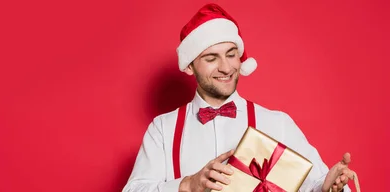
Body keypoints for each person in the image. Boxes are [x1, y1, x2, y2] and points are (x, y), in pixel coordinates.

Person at [122, 3, 354, 192]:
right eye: (211, 58)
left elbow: (312, 184)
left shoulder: (277, 123)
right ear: (190, 66)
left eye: (232, 55)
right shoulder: (163, 129)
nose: (226, 67)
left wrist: (327, 187)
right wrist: (187, 185)